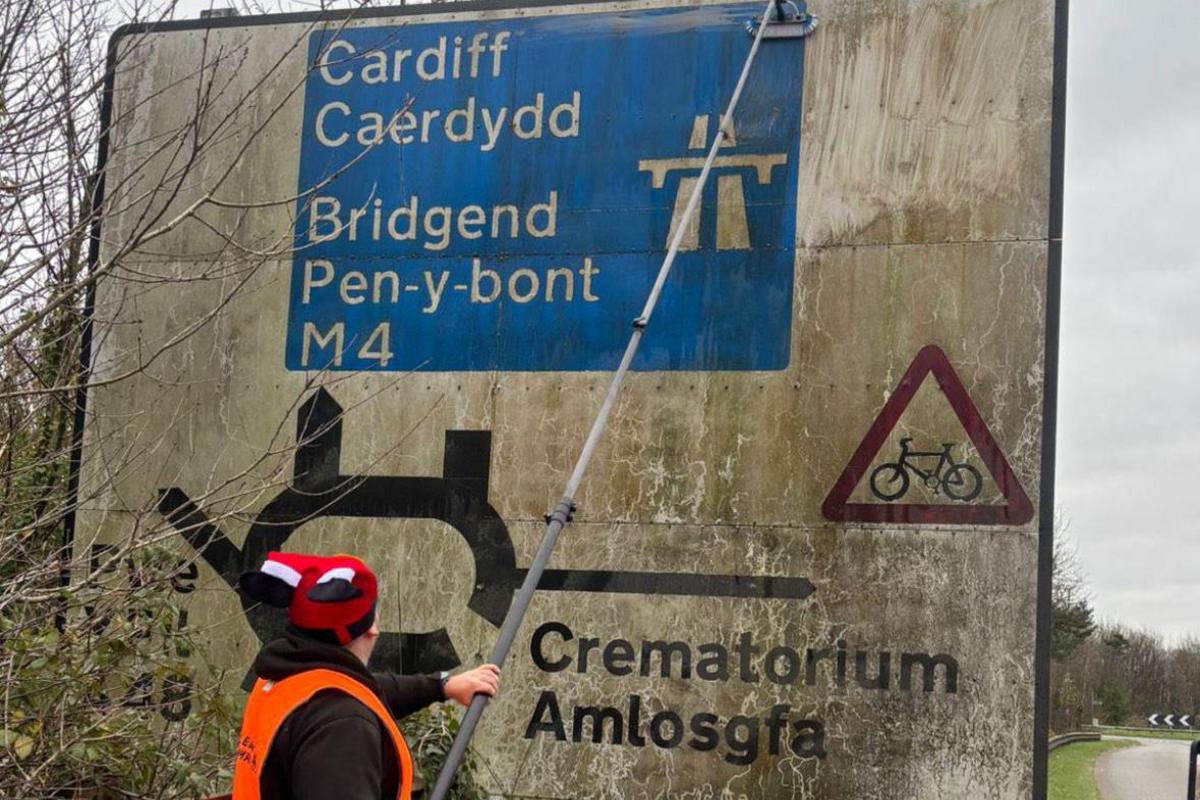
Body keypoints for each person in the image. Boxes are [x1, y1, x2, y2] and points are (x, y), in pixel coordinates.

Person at [230, 552, 500, 800]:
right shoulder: (342, 725)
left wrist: (443, 687)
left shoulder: (287, 679)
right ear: (370, 629)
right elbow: (349, 708)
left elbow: (368, 691)